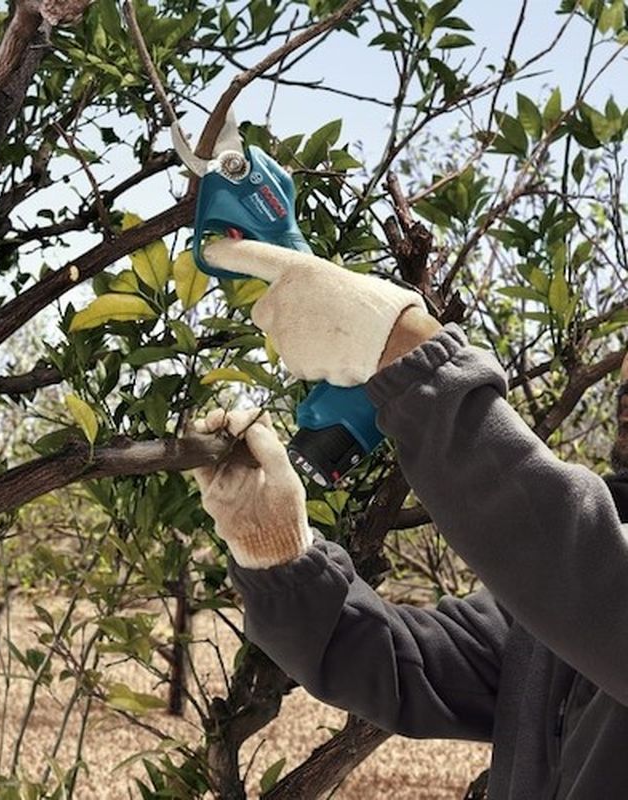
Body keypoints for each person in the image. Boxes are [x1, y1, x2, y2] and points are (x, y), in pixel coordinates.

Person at [191, 239, 628, 800]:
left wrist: (404, 353)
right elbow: (408, 667)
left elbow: (597, 583)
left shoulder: (590, 577)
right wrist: (279, 553)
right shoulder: (564, 590)